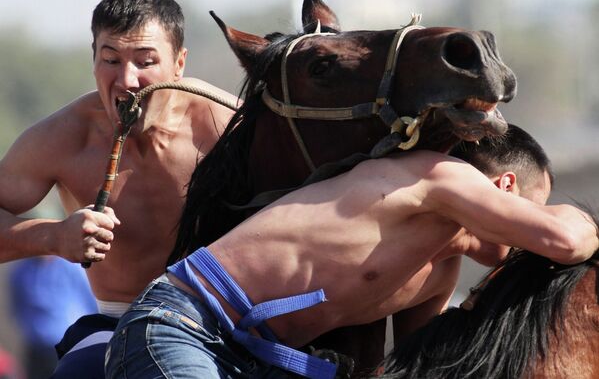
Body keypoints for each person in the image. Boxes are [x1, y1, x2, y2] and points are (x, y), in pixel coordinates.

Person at [104, 124, 599, 379]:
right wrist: (577, 217)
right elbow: (568, 242)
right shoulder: (437, 178)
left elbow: (415, 369)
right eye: (538, 209)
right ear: (503, 187)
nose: (523, 246)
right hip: (183, 328)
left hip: (260, 363)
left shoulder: (441, 270)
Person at [0, 0, 236, 378]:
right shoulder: (62, 138)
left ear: (179, 64)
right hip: (117, 323)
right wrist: (54, 236)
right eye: (111, 60)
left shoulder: (229, 127)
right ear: (93, 59)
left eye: (145, 61)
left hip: (227, 323)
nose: (127, 79)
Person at [8, 257, 97, 378]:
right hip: (37, 351)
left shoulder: (72, 267)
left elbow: (92, 301)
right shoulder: (21, 271)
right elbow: (18, 307)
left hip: (70, 349)